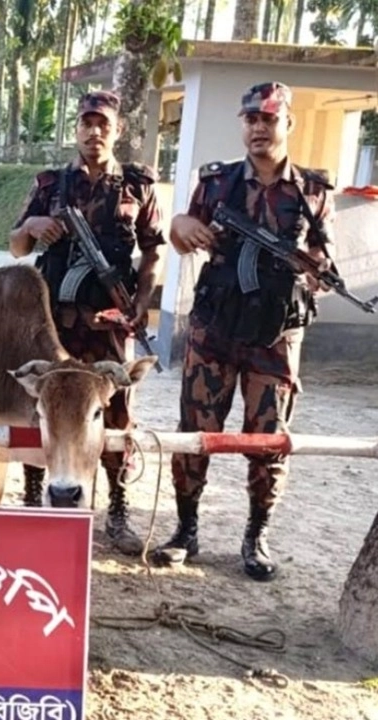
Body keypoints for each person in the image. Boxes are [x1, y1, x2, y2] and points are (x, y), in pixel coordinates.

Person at [152, 81, 334, 581]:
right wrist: (182, 226)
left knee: (268, 439)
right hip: (214, 332)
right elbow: (183, 231)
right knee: (195, 433)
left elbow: (324, 264)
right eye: (251, 118)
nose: (259, 127)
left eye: (269, 119)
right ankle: (186, 530)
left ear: (287, 124)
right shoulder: (216, 184)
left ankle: (256, 535)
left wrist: (314, 272)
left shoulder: (313, 192)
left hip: (275, 340)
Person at [8, 90, 165, 555]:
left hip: (110, 323)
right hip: (53, 322)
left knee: (117, 415)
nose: (94, 132)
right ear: (75, 129)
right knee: (46, 412)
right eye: (86, 123)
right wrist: (33, 227)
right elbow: (16, 247)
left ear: (118, 130)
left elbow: (154, 247)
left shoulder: (137, 185)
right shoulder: (51, 185)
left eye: (103, 124)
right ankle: (35, 498)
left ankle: (116, 509)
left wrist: (142, 296)